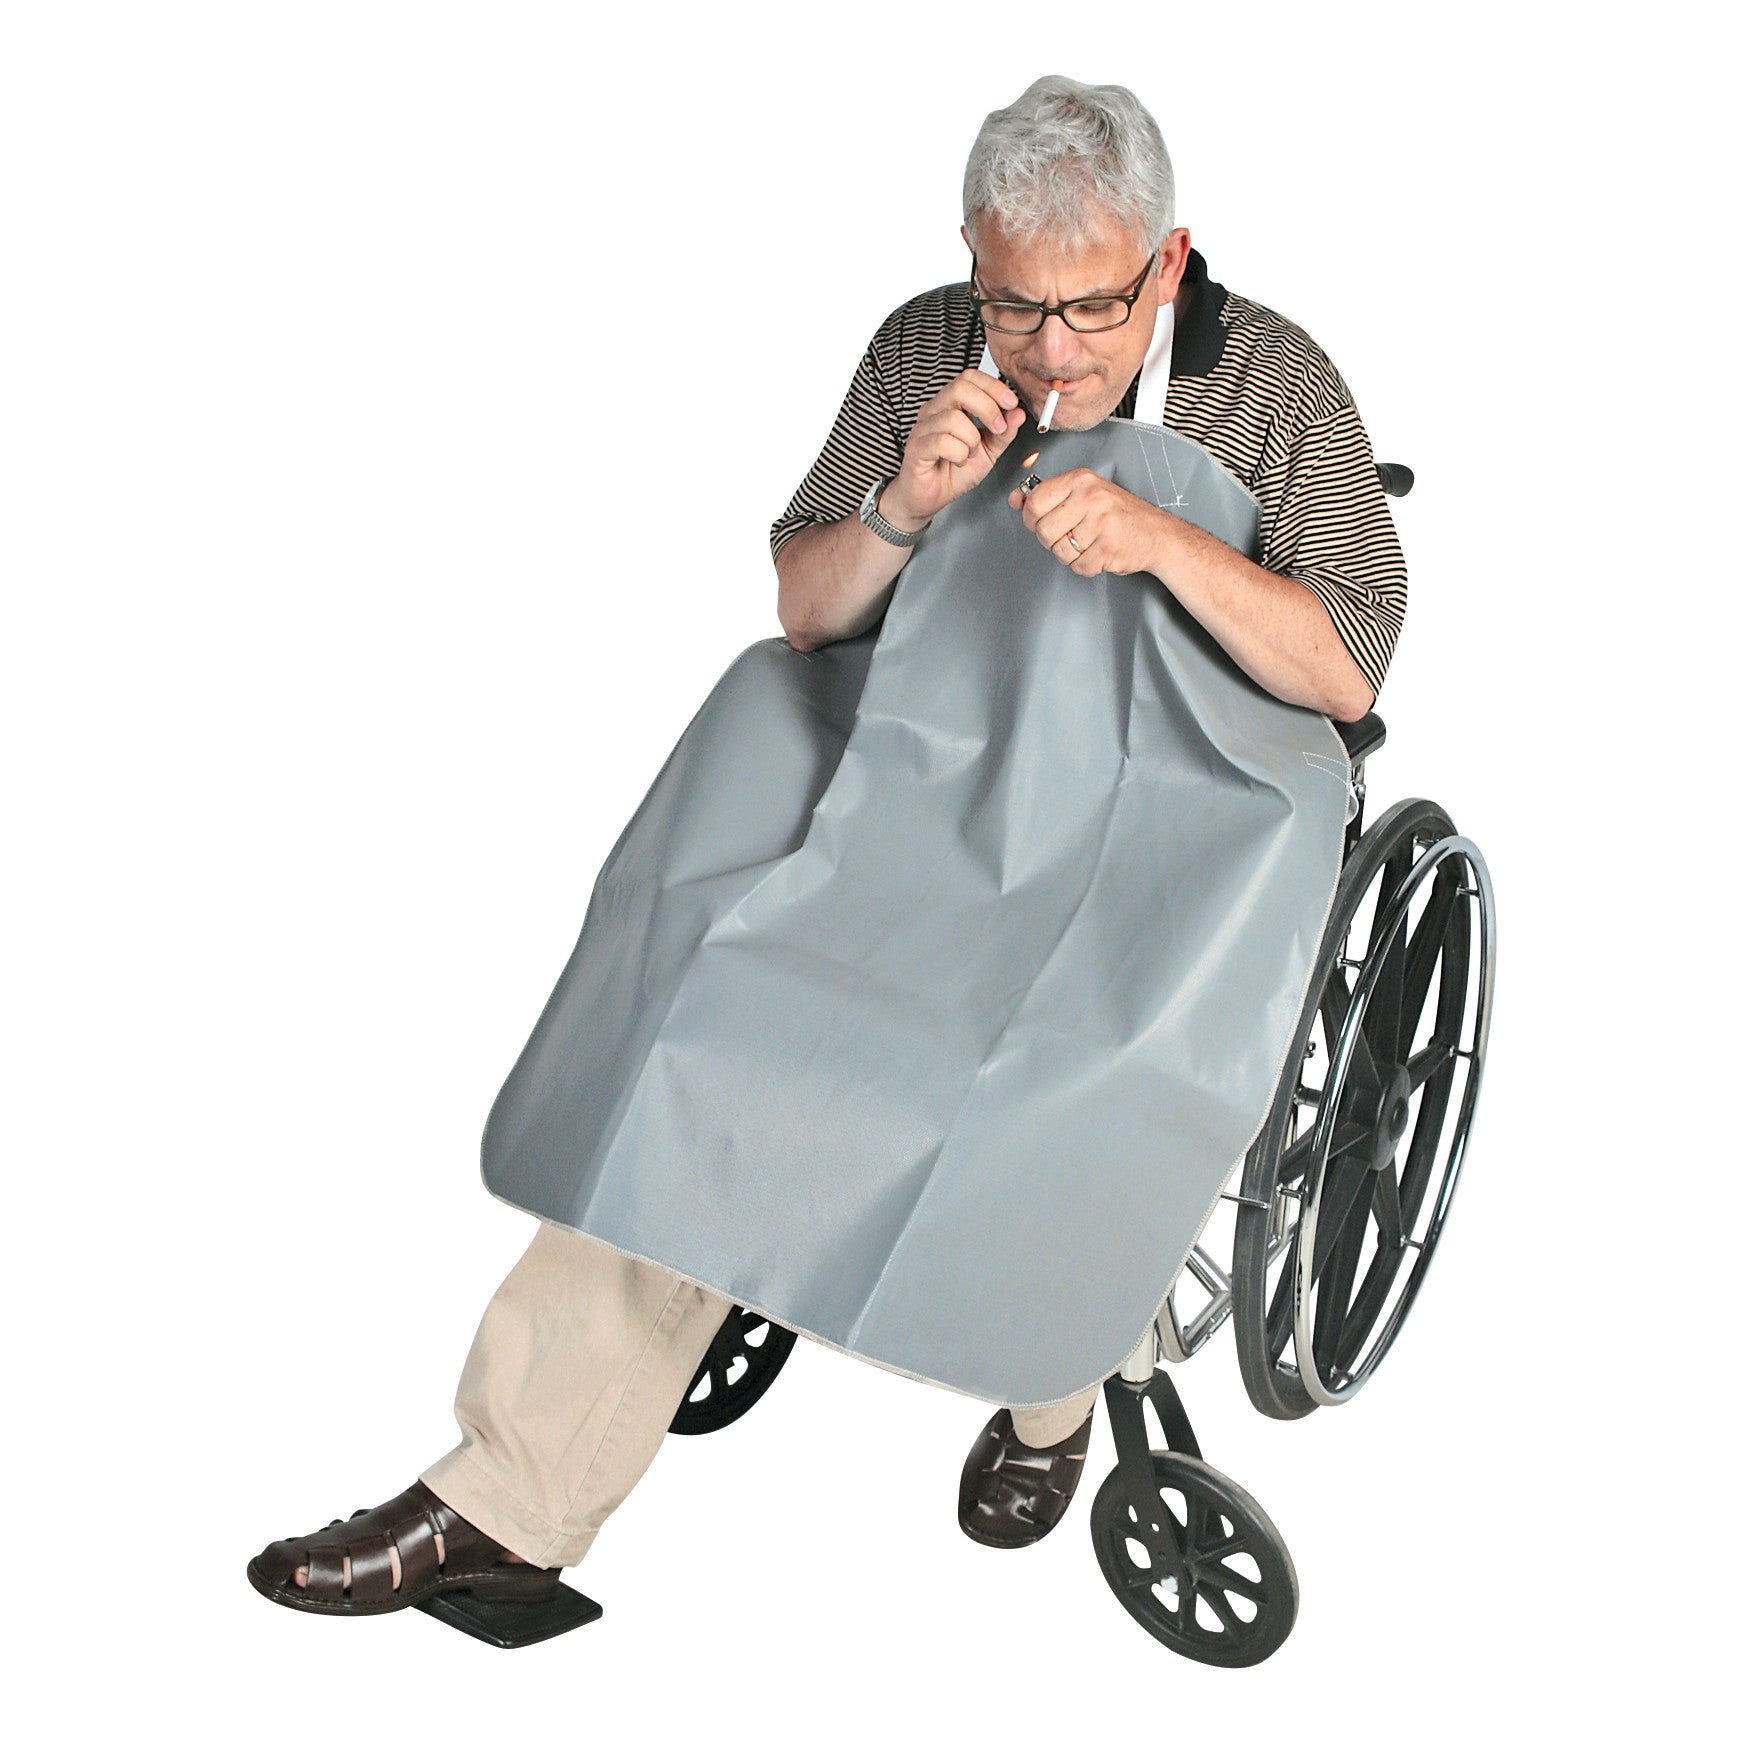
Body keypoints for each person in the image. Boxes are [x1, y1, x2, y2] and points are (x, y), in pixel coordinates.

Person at [249, 74, 1405, 1619]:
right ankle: (508, 1501)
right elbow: (807, 612)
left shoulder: (1274, 385)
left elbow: (1347, 670)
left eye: (1095, 310)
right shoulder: (925, 346)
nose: (1052, 350)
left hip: (1162, 829)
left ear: (1171, 263)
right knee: (707, 999)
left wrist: (1165, 542)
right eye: (1015, 308)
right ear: (969, 263)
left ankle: (1053, 1390)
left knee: (1076, 1063)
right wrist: (905, 499)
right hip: (929, 786)